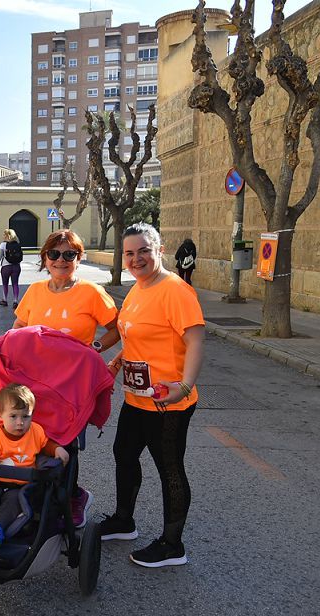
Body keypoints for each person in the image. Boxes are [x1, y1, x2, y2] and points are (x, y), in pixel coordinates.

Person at [99, 224, 205, 569]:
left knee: (169, 469)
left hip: (168, 402)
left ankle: (173, 544)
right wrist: (115, 361)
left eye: (143, 250)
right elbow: (132, 336)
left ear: (159, 250)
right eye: (129, 253)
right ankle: (123, 521)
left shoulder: (175, 290)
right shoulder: (136, 289)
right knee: (124, 454)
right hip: (137, 397)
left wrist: (184, 387)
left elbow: (196, 341)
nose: (136, 258)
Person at [13, 229, 120, 529]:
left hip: (73, 384)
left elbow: (116, 327)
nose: (61, 260)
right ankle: (38, 494)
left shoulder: (90, 292)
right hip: (36, 382)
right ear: (45, 257)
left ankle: (72, 497)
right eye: (55, 254)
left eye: (69, 255)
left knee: (66, 441)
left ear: (78, 258)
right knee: (35, 438)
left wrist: (94, 348)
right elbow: (19, 325)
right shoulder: (35, 291)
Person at [0, 384, 70, 555]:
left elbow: (45, 444)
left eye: (26, 416)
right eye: (13, 416)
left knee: (15, 503)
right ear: (0, 416)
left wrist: (56, 449)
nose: (20, 422)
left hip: (19, 485)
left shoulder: (35, 431)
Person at [0, 228, 24, 308]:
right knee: (15, 284)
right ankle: (15, 301)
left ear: (7, 236)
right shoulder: (17, 244)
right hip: (16, 266)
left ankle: (5, 300)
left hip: (6, 267)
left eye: (4, 234)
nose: (3, 236)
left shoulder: (3, 245)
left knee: (5, 284)